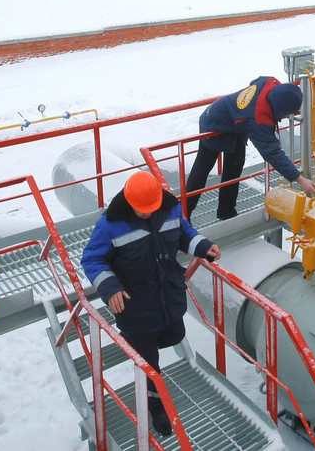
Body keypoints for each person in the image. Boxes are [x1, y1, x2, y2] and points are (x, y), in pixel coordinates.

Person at [80, 170, 222, 437]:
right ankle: (156, 405)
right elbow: (92, 260)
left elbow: (183, 232)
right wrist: (110, 288)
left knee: (175, 334)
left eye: (150, 208)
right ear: (129, 202)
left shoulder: (169, 209)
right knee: (148, 363)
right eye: (140, 210)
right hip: (135, 304)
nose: (146, 213)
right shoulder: (110, 225)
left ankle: (138, 344)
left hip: (168, 294)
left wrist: (202, 245)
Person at [185, 76, 315, 220]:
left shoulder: (271, 82)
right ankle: (184, 214)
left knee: (234, 167)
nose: (287, 117)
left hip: (234, 122)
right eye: (287, 114)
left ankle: (226, 212)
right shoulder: (258, 119)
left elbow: (255, 82)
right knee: (203, 168)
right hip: (213, 124)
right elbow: (272, 153)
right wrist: (300, 179)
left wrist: (244, 110)